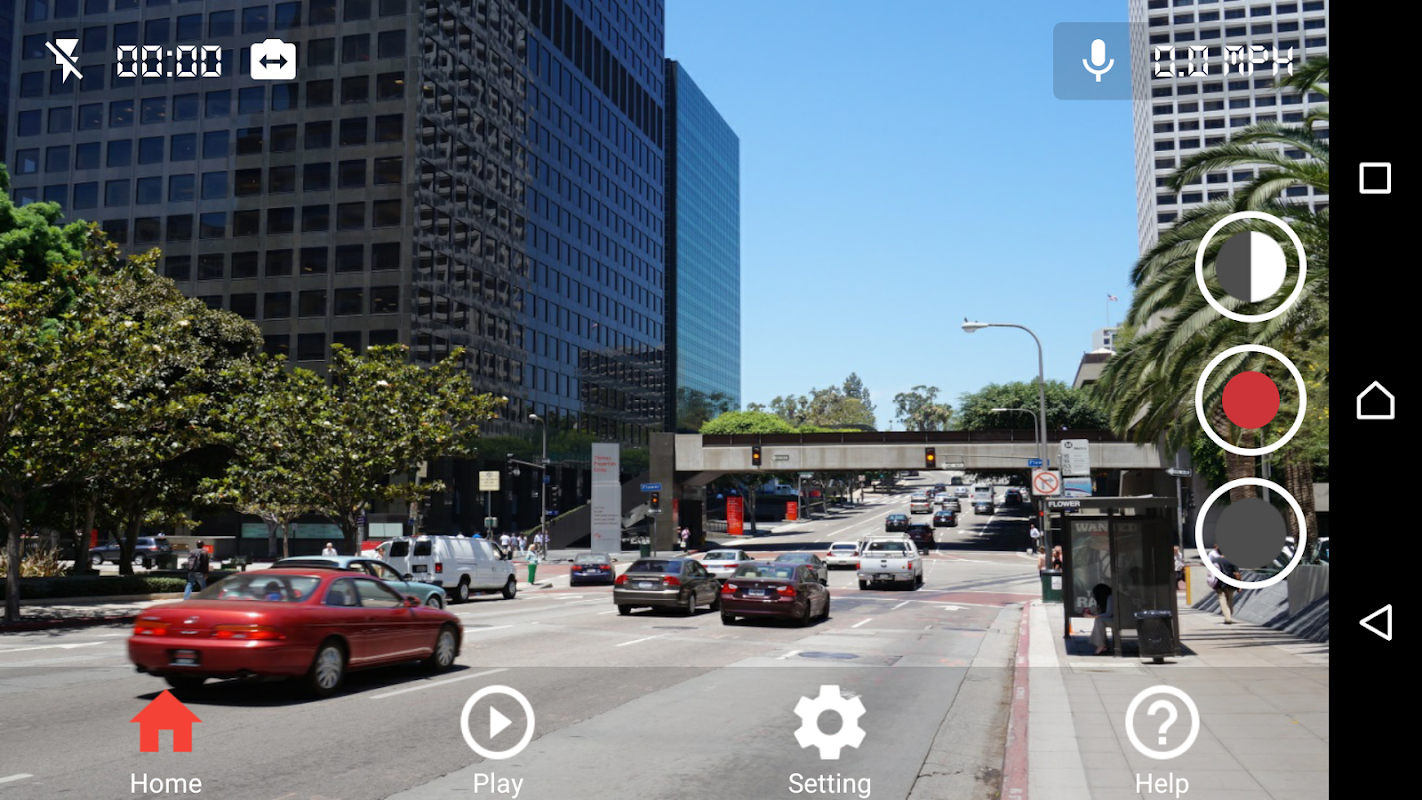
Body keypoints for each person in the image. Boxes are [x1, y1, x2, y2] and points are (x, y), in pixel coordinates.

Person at [1208, 544, 1241, 624]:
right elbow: (1237, 574)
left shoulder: (1215, 560)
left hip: (1219, 583)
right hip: (1230, 583)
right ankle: (1229, 617)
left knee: (1222, 600)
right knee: (1229, 600)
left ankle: (1227, 618)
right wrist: (1239, 585)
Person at [1086, 583, 1115, 655]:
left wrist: (1094, 616)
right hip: (1122, 619)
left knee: (1099, 621)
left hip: (1121, 620)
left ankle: (1101, 645)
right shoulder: (1111, 596)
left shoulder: (1110, 598)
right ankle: (1103, 645)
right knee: (1099, 620)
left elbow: (1109, 614)